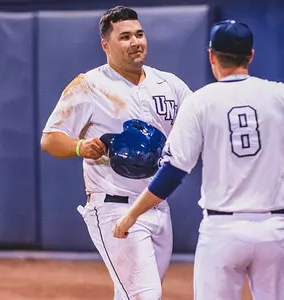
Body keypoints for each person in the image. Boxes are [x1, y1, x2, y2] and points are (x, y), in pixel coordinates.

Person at [113, 19, 284, 300]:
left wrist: (131, 215)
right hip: (271, 230)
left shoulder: (199, 102)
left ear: (212, 56)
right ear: (250, 55)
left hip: (221, 231)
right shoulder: (279, 94)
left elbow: (173, 171)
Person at [40, 6, 193, 299]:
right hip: (113, 207)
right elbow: (49, 139)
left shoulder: (169, 84)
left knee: (131, 294)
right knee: (145, 295)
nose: (136, 41)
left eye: (139, 34)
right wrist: (78, 146)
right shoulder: (89, 85)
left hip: (157, 204)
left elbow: (199, 125)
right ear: (105, 45)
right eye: (125, 37)